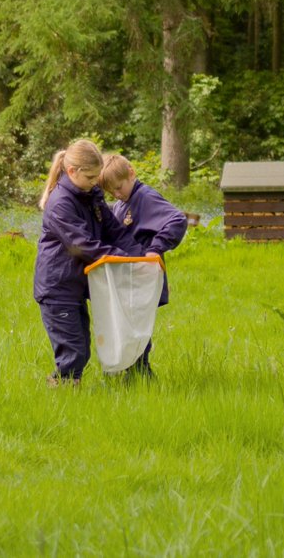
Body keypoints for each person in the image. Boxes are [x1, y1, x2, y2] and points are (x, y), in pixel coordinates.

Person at [35, 139, 141, 387]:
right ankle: (64, 394)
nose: (97, 182)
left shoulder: (90, 194)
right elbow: (82, 245)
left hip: (77, 285)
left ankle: (68, 389)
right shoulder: (60, 203)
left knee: (81, 345)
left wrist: (139, 255)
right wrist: (121, 257)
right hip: (57, 287)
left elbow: (113, 229)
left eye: (98, 176)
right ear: (72, 171)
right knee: (74, 351)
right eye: (91, 176)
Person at [99, 153, 188, 379]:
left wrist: (155, 249)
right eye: (112, 192)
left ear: (131, 174)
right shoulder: (122, 203)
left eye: (119, 188)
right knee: (127, 327)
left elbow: (177, 220)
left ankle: (140, 374)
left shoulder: (145, 197)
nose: (117, 194)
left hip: (143, 276)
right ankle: (132, 372)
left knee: (137, 329)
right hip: (128, 276)